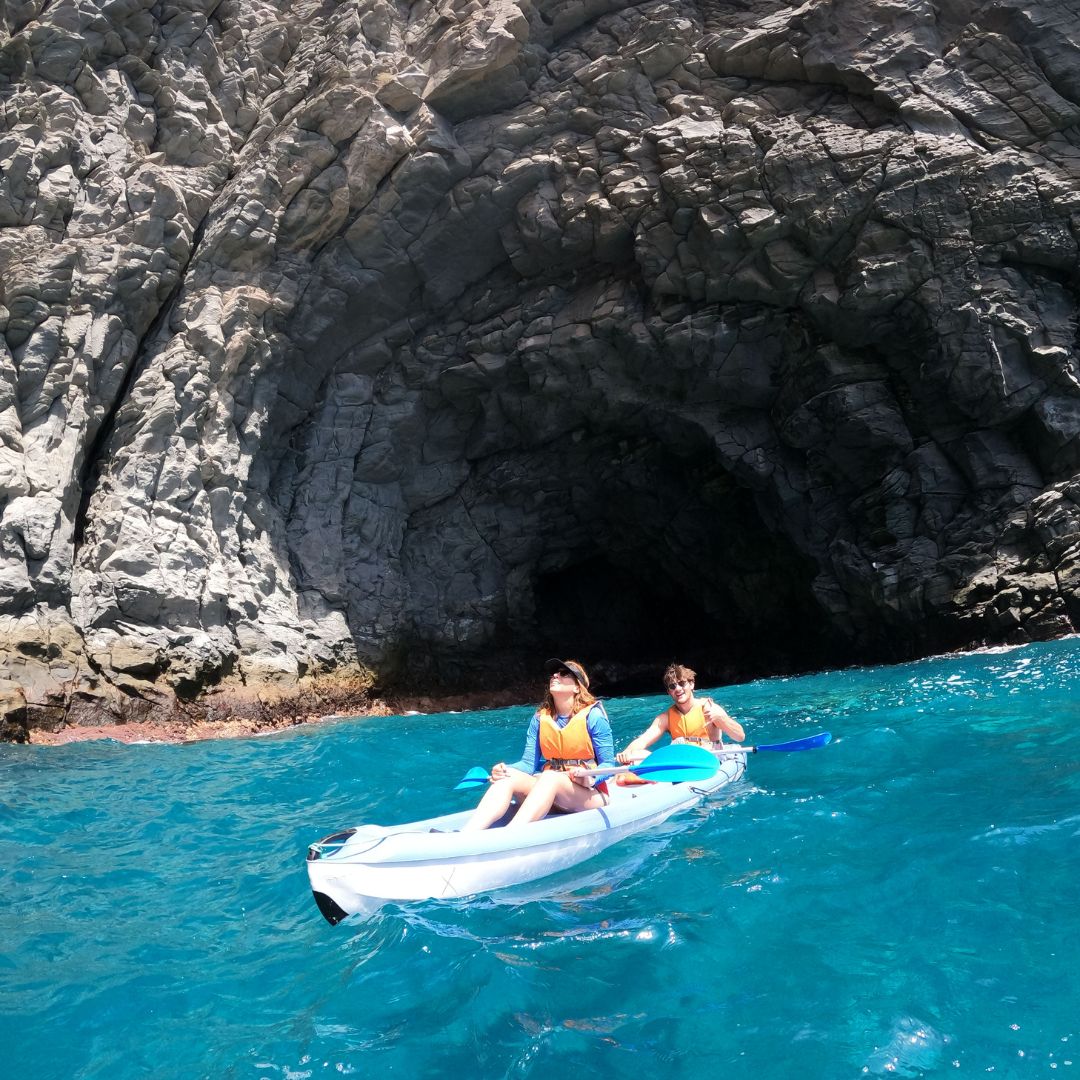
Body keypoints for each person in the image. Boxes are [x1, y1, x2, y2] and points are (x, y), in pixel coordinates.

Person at [462, 658, 617, 831]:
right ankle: (467, 834)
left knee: (550, 777)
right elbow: (528, 764)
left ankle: (511, 833)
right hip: (550, 790)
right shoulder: (540, 718)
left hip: (589, 793)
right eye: (554, 673)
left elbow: (609, 765)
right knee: (508, 776)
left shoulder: (594, 717)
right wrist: (505, 769)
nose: (555, 675)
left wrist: (591, 776)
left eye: (564, 673)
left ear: (577, 687)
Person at [615, 662, 744, 768]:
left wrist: (721, 719)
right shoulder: (665, 718)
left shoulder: (709, 708)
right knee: (637, 754)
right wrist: (627, 752)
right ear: (669, 692)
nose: (677, 689)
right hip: (681, 760)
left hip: (709, 759)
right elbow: (643, 739)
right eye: (672, 686)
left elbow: (740, 736)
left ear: (692, 684)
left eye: (682, 683)